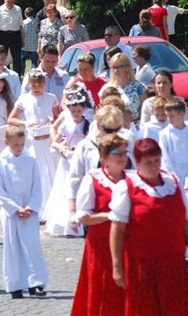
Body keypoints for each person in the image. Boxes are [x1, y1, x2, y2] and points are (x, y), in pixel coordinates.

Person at [109, 139, 188, 314]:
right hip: (142, 266)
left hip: (173, 263)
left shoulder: (173, 182)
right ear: (137, 163)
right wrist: (117, 267)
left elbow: (185, 221)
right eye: (148, 162)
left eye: (157, 161)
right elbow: (117, 229)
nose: (154, 166)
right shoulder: (127, 188)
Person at [70, 133, 128, 316]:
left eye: (124, 153)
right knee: (102, 292)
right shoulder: (93, 179)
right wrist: (111, 215)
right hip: (101, 246)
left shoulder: (132, 179)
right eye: (117, 153)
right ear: (104, 158)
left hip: (127, 245)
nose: (122, 158)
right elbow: (84, 217)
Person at [0, 125, 49, 299]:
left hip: (29, 208)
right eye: (15, 144)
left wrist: (31, 206)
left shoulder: (30, 159)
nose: (19, 148)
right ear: (6, 142)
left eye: (21, 144)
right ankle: (15, 284)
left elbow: (37, 185)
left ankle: (36, 282)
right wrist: (14, 208)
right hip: (12, 210)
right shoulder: (0, 161)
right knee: (13, 246)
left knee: (32, 245)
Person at [9, 69, 61, 218]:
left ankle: (51, 209)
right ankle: (36, 207)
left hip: (47, 140)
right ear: (29, 85)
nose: (37, 88)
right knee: (35, 173)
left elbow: (58, 117)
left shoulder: (51, 98)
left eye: (40, 85)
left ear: (44, 84)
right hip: (33, 142)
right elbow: (11, 119)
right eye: (33, 86)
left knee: (49, 172)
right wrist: (26, 123)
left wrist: (51, 121)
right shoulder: (24, 99)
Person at [44, 87, 90, 237]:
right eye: (73, 112)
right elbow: (55, 142)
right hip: (67, 159)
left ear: (83, 109)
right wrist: (61, 147)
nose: (76, 114)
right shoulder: (65, 124)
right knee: (66, 188)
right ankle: (65, 222)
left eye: (78, 111)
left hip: (80, 159)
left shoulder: (87, 124)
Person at [99, 53, 147, 122]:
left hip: (135, 127)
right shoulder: (106, 89)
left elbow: (145, 112)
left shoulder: (139, 87)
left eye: (119, 67)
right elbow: (102, 113)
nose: (116, 70)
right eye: (113, 67)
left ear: (127, 67)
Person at [0, 0, 25, 77]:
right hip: (3, 34)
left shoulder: (18, 9)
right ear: (4, 0)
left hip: (15, 35)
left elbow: (21, 24)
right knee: (2, 56)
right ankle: (3, 75)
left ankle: (17, 76)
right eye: (8, 1)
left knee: (17, 57)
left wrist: (22, 38)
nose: (10, 3)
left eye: (12, 2)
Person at [21, 7, 38, 72]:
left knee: (22, 62)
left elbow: (22, 33)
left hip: (25, 45)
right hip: (34, 46)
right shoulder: (36, 22)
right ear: (33, 14)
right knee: (34, 63)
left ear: (25, 14)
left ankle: (22, 73)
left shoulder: (24, 23)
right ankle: (34, 74)